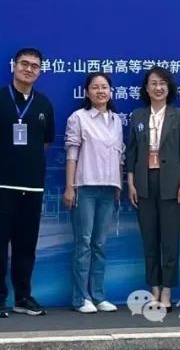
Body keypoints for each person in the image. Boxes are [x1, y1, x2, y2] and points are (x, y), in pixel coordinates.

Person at [0, 47, 55, 318]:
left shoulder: (44, 105)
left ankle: (23, 296)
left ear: (40, 71)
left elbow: (45, 142)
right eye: (24, 64)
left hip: (32, 186)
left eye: (35, 66)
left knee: (26, 245)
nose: (29, 69)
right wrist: (1, 160)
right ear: (14, 66)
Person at [125, 66, 180, 312]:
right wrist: (131, 182)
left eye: (162, 83)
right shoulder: (138, 115)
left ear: (169, 87)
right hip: (144, 183)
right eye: (153, 83)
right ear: (146, 88)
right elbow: (131, 152)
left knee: (170, 241)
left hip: (172, 185)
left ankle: (167, 291)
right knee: (150, 241)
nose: (158, 87)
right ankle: (154, 289)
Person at [63, 72, 123, 314]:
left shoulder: (116, 120)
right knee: (84, 243)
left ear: (110, 91)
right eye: (95, 87)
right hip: (85, 187)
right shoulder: (78, 117)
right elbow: (72, 154)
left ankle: (98, 295)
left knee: (100, 244)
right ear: (87, 92)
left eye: (104, 87)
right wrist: (70, 187)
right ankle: (80, 298)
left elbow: (119, 156)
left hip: (109, 188)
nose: (100, 91)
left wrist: (118, 185)